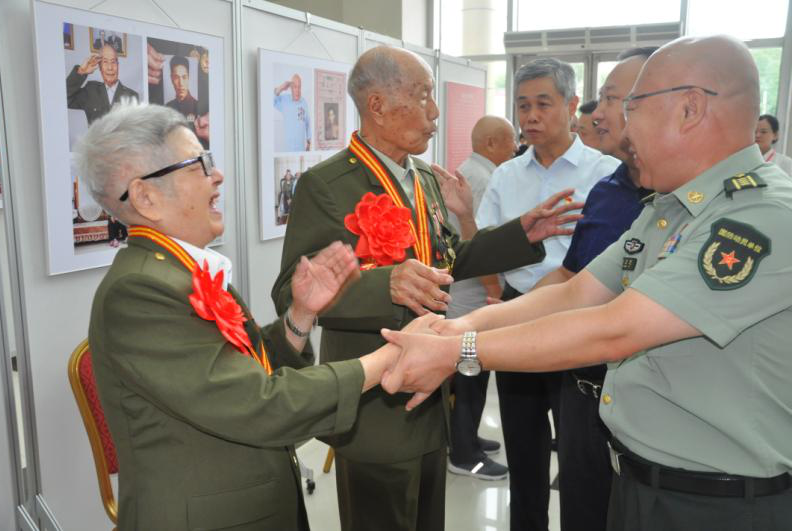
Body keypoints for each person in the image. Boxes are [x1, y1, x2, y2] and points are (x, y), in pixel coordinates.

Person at [382, 35, 792, 531]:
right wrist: (460, 327)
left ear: (690, 108)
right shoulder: (667, 207)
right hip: (643, 485)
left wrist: (460, 352)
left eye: (632, 104)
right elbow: (574, 291)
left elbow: (613, 329)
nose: (613, 124)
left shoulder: (757, 217)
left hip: (717, 504)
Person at [271, 45, 583, 531]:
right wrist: (383, 285)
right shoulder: (327, 185)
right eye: (422, 97)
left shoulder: (423, 178)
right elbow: (292, 291)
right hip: (372, 402)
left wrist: (522, 234)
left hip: (430, 395)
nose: (434, 112)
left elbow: (448, 261)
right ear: (377, 106)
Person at [76, 100, 418, 531]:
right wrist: (388, 360)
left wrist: (299, 315)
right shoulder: (139, 293)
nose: (216, 175)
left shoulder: (183, 271)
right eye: (199, 164)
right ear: (145, 196)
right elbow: (261, 404)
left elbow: (242, 374)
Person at [474, 57, 619, 531]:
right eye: (522, 106)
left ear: (572, 105)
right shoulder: (506, 176)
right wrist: (501, 298)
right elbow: (482, 248)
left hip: (583, 321)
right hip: (519, 316)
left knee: (582, 457)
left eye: (543, 103)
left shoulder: (606, 173)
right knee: (523, 452)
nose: (531, 116)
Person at [532, 46, 656, 531]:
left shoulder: (683, 203)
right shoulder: (607, 189)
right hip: (581, 397)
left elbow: (614, 323)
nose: (596, 115)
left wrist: (473, 342)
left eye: (610, 99)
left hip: (641, 404)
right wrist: (489, 322)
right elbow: (571, 278)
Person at [442, 115, 517, 481]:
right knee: (470, 371)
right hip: (474, 294)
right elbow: (480, 244)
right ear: (491, 144)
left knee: (472, 372)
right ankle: (464, 453)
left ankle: (466, 437)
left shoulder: (467, 171)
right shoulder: (485, 180)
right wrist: (494, 290)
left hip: (461, 292)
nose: (516, 147)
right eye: (510, 141)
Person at [66, 43, 139, 124]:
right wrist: (81, 71)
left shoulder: (132, 96)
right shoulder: (91, 91)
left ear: (118, 65)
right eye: (105, 62)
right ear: (100, 67)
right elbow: (64, 99)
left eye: (113, 62)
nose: (110, 67)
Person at [274, 74, 312, 152]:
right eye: (295, 87)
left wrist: (308, 143)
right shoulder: (284, 100)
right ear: (291, 88)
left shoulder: (304, 102)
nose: (298, 90)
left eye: (299, 87)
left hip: (302, 149)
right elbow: (272, 100)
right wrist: (281, 88)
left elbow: (307, 122)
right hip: (289, 150)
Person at [166, 55, 199, 122]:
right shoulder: (167, 107)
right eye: (176, 77)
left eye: (184, 77)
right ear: (171, 79)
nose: (181, 83)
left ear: (188, 78)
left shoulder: (197, 106)